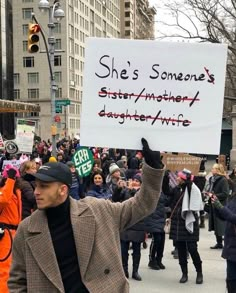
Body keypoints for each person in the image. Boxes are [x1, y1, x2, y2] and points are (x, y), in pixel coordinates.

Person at [8, 138, 164, 292]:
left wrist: (153, 168)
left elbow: (142, 205)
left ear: (62, 190)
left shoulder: (97, 210)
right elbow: (17, 281)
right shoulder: (26, 229)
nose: (36, 191)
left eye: (44, 186)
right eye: (36, 186)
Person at [168, 169, 204, 284]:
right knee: (181, 250)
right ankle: (184, 273)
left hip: (190, 222)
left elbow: (196, 202)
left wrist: (190, 181)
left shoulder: (192, 188)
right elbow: (167, 195)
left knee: (192, 249)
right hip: (178, 223)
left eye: (179, 177)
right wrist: (163, 176)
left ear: (184, 179)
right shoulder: (176, 189)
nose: (177, 178)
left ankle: (199, 272)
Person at [112, 174, 145, 281]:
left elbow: (139, 202)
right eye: (133, 179)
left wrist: (132, 190)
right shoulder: (125, 191)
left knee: (136, 249)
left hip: (138, 223)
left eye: (137, 180)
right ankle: (124, 270)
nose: (134, 182)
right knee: (123, 249)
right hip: (125, 222)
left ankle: (135, 271)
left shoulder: (142, 192)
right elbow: (115, 199)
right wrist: (118, 189)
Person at [0, 165, 21, 293]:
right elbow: (3, 201)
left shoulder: (16, 191)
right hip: (5, 233)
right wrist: (11, 180)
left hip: (15, 232)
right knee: (4, 267)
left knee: (13, 267)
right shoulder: (4, 190)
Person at [210, 191, 236, 292]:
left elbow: (233, 218)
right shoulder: (233, 198)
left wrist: (220, 206)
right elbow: (225, 215)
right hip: (230, 245)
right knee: (231, 279)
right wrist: (215, 205)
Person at [206, 163, 229, 249]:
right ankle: (219, 243)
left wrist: (214, 195)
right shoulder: (212, 179)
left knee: (221, 226)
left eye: (213, 168)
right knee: (215, 225)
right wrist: (208, 193)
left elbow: (225, 193)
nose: (212, 170)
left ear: (218, 170)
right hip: (213, 204)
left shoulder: (223, 180)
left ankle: (225, 243)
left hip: (220, 205)